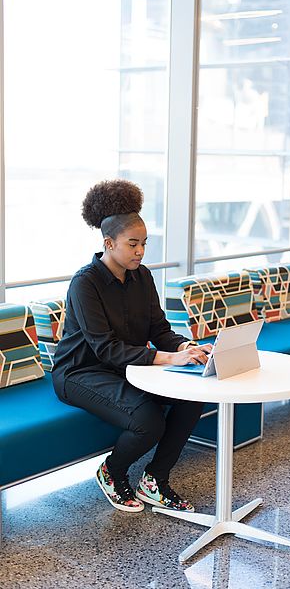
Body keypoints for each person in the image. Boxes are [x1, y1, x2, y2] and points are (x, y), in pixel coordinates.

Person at [51, 179, 212, 514]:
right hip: (81, 372)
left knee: (191, 400)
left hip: (127, 367)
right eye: (133, 244)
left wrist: (188, 346)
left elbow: (159, 329)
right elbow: (105, 349)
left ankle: (154, 479)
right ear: (109, 243)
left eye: (144, 244)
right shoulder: (85, 284)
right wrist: (170, 357)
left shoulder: (143, 277)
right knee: (148, 421)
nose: (140, 251)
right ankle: (112, 472)